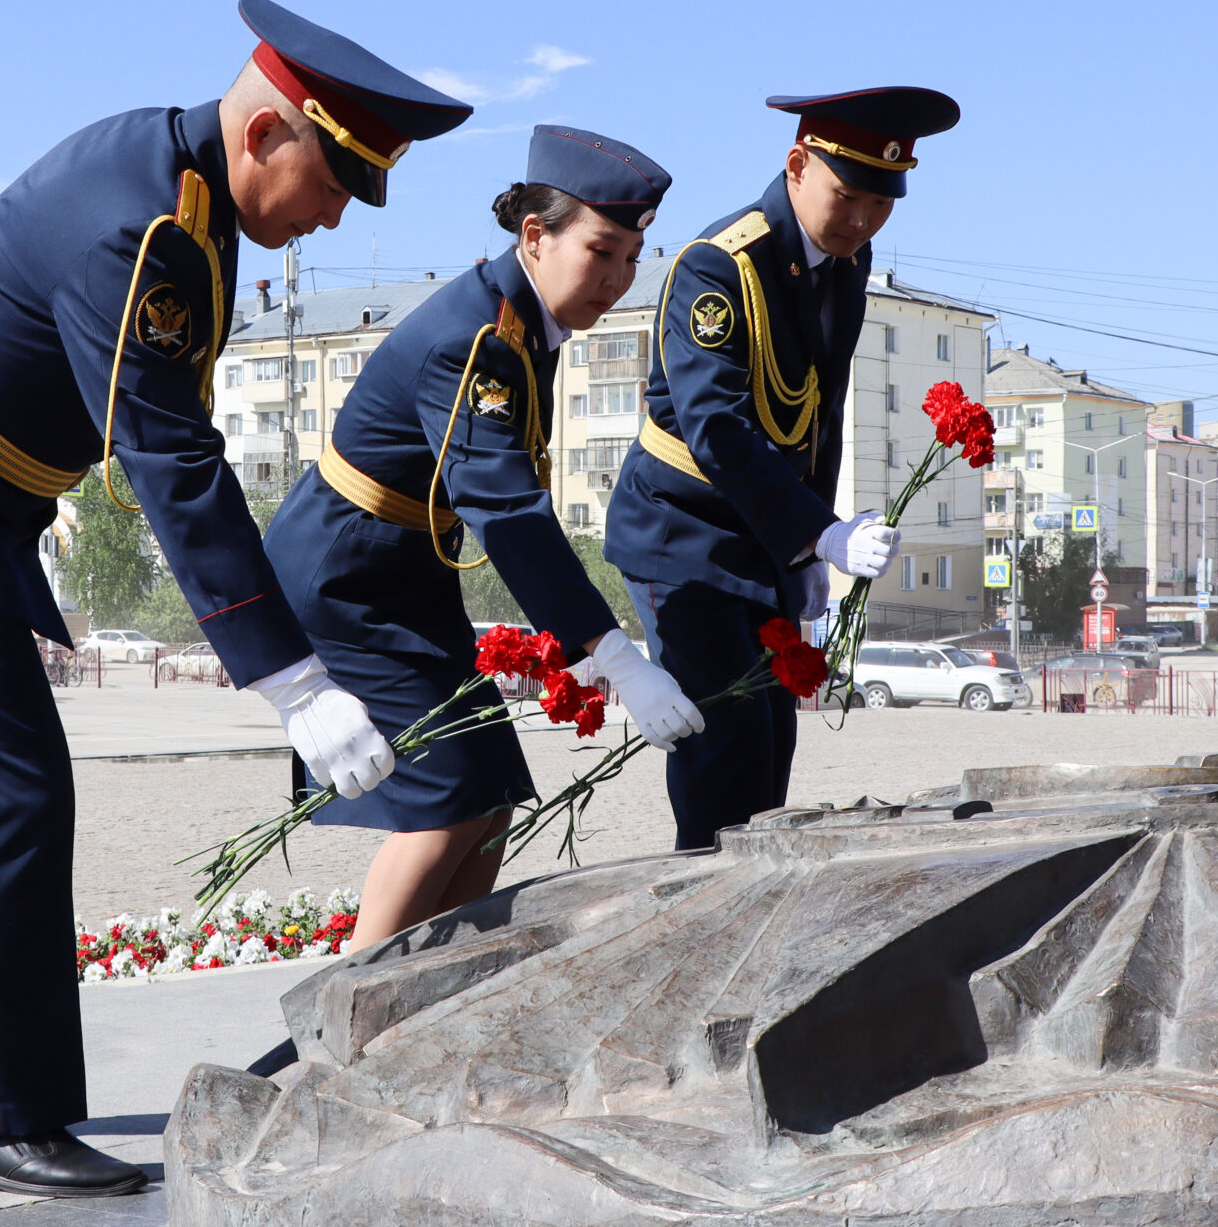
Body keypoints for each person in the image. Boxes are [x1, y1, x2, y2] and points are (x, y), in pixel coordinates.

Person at [0, 0, 470, 1197]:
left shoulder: (179, 191)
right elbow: (172, 462)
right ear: (264, 136)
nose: (327, 219)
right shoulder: (145, 229)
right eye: (330, 184)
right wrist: (292, 679)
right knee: (10, 795)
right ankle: (1, 1116)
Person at [265, 127, 707, 945]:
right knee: (443, 799)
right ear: (534, 237)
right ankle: (351, 1008)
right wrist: (612, 655)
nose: (616, 278)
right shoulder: (473, 340)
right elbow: (508, 514)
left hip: (402, 573)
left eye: (631, 257)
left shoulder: (519, 323)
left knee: (492, 792)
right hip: (344, 578)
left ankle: (423, 991)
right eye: (601, 251)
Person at [605, 87, 959, 849]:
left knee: (770, 750)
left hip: (764, 537)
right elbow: (717, 428)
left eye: (882, 201)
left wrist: (805, 548)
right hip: (683, 535)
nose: (864, 219)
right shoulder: (718, 266)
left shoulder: (845, 258)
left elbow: (817, 409)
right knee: (723, 750)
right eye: (849, 196)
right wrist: (819, 534)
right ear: (797, 165)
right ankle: (703, 932)